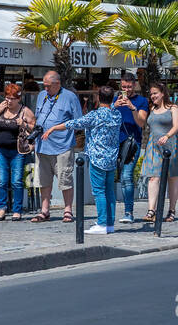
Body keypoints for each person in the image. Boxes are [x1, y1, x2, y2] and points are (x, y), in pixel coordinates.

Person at [45, 85, 122, 235]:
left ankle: (101, 223)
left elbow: (73, 123)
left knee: (99, 192)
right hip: (111, 158)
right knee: (109, 192)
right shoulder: (116, 115)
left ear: (99, 98)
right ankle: (109, 223)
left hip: (97, 158)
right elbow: (109, 110)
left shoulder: (95, 115)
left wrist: (53, 128)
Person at [30, 70, 82, 224]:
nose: (45, 89)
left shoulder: (70, 97)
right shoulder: (41, 96)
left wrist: (58, 128)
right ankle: (44, 210)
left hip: (62, 145)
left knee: (65, 179)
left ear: (57, 84)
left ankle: (68, 210)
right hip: (42, 146)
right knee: (43, 180)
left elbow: (78, 121)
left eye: (48, 86)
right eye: (44, 86)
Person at [0, 82, 34, 221]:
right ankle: (2, 209)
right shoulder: (0, 110)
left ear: (18, 98)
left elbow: (34, 130)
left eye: (12, 98)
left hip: (17, 150)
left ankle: (17, 210)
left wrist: (23, 124)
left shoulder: (25, 111)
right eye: (7, 97)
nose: (9, 101)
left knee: (17, 181)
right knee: (1, 181)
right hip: (0, 149)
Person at [141, 81, 178, 224]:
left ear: (162, 94)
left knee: (172, 177)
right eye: (151, 93)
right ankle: (151, 210)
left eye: (155, 93)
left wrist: (167, 136)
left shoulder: (173, 108)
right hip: (153, 146)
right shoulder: (151, 109)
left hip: (171, 145)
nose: (152, 96)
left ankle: (172, 210)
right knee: (153, 177)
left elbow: (177, 126)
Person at [113, 71, 148, 224]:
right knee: (118, 177)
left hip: (133, 143)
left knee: (127, 176)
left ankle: (129, 212)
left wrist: (132, 107)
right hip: (116, 143)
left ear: (134, 85)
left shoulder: (141, 101)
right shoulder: (116, 100)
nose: (126, 90)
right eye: (123, 87)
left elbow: (141, 123)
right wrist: (114, 107)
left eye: (129, 86)